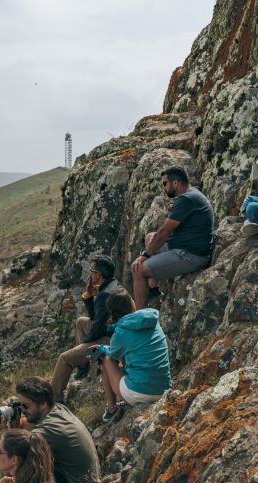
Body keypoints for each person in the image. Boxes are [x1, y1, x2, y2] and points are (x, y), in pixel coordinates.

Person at [0, 377, 100, 483]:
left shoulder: (49, 429)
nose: (22, 410)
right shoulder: (57, 409)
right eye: (20, 405)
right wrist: (16, 420)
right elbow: (27, 427)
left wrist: (3, 432)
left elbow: (13, 454)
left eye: (25, 406)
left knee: (19, 466)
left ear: (43, 404)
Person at [130, 166, 214, 309]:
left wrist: (144, 256)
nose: (163, 187)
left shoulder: (187, 200)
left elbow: (164, 232)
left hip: (190, 255)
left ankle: (140, 316)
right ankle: (153, 285)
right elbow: (161, 234)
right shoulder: (192, 195)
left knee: (138, 269)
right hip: (183, 247)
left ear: (175, 183)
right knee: (150, 236)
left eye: (165, 183)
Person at [50, 254, 126, 403]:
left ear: (98, 274)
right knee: (81, 322)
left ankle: (54, 399)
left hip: (111, 340)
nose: (90, 274)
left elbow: (96, 330)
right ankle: (84, 365)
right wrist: (89, 295)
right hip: (114, 333)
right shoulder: (112, 285)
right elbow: (95, 318)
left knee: (65, 358)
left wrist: (82, 346)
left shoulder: (106, 294)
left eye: (92, 271)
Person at [91, 292, 171, 421]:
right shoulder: (152, 320)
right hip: (164, 388)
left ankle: (111, 409)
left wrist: (100, 348)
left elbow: (112, 355)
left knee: (106, 359)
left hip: (139, 393)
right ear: (131, 304)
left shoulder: (120, 332)